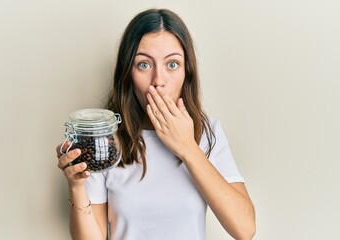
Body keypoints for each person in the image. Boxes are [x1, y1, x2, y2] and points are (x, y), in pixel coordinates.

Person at [56, 8, 255, 240]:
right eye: (144, 64)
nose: (158, 81)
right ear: (127, 73)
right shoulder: (108, 142)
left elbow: (245, 229)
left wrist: (188, 148)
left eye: (172, 64)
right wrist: (76, 187)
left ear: (187, 72)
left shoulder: (208, 134)